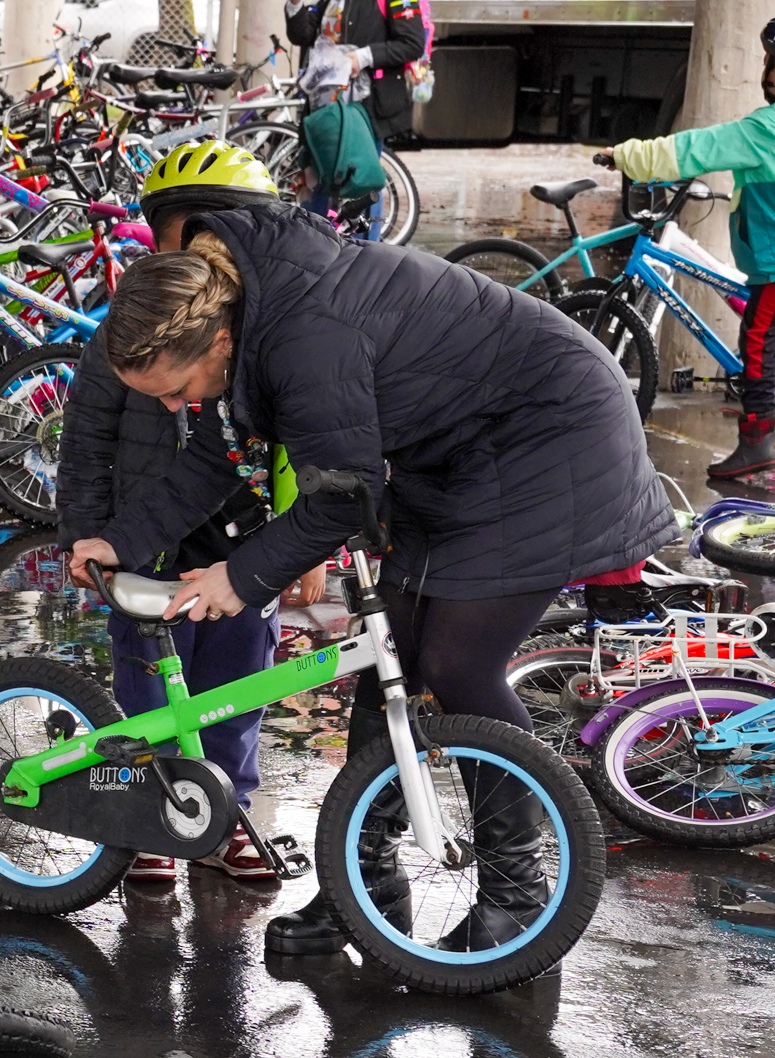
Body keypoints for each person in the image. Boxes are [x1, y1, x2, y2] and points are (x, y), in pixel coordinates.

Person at [84, 207, 674, 956]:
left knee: (456, 664)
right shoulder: (251, 316)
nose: (175, 406)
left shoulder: (302, 335)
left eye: (176, 388)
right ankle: (361, 891)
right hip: (454, 453)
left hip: (548, 435)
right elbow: (214, 457)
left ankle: (521, 899)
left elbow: (337, 496)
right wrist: (117, 539)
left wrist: (244, 572)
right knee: (383, 661)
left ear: (219, 339)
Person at [60, 142, 324, 886]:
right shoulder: (128, 330)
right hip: (144, 544)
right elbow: (84, 443)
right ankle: (157, 813)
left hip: (242, 544)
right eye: (185, 237)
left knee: (239, 684)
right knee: (147, 686)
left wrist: (308, 548)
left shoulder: (265, 339)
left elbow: (309, 448)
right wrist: (84, 533)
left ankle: (225, 814)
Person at [609, 20, 775, 478]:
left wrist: (627, 156)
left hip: (774, 269)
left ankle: (758, 441)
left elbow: (694, 149)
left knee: (758, 345)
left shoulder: (765, 131)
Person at [286, 0, 424, 232]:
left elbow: (412, 43)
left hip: (364, 111)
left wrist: (363, 57)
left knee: (361, 186)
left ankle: (364, 256)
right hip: (324, 110)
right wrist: (295, 4)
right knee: (320, 183)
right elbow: (303, 35)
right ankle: (318, 249)